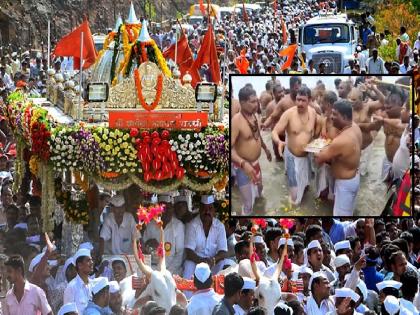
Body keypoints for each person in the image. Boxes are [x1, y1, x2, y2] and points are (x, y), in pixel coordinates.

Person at [272, 86, 320, 205]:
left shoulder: (313, 112)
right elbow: (275, 131)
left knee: (306, 187)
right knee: (294, 198)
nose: (299, 103)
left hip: (306, 156)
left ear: (309, 100)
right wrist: (279, 142)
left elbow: (321, 122)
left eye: (303, 100)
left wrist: (318, 142)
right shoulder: (289, 114)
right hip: (292, 157)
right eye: (298, 99)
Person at [314, 100, 362, 216]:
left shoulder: (341, 140)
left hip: (345, 184)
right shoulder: (355, 128)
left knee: (341, 216)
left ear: (345, 117)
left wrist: (314, 149)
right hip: (354, 177)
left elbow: (319, 159)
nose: (331, 117)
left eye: (335, 114)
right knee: (347, 211)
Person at [231, 86, 271, 214]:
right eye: (252, 102)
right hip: (243, 168)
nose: (256, 104)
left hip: (255, 163)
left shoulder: (255, 116)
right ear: (242, 103)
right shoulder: (236, 121)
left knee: (260, 191)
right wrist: (243, 164)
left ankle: (261, 211)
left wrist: (265, 149)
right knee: (248, 203)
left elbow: (257, 136)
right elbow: (229, 148)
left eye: (256, 101)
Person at [183, 195, 228, 281]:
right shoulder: (192, 225)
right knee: (188, 264)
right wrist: (201, 261)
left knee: (223, 263)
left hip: (213, 262)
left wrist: (213, 260)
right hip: (196, 261)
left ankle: (216, 293)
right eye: (204, 208)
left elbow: (223, 251)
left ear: (214, 211)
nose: (207, 211)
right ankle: (187, 294)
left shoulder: (219, 226)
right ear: (199, 210)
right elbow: (189, 251)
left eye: (210, 208)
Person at [143, 194, 185, 275]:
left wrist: (167, 272)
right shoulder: (151, 225)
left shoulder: (178, 226)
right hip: (154, 267)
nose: (166, 212)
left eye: (168, 208)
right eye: (163, 209)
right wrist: (148, 245)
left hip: (173, 269)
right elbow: (145, 249)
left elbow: (180, 254)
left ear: (172, 209)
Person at [63, 248, 93, 314]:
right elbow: (68, 313)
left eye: (91, 260)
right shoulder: (71, 287)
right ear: (80, 265)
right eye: (88, 260)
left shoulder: (93, 284)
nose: (92, 263)